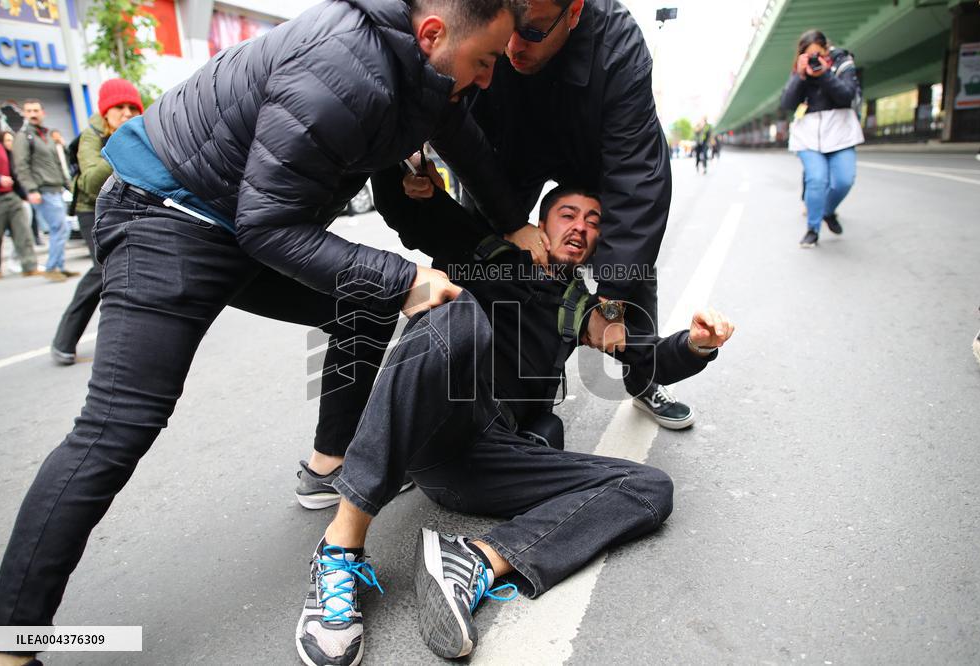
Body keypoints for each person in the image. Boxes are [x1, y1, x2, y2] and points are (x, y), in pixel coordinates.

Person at [0, 2, 526, 665]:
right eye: (487, 61)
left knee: (365, 298)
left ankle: (326, 466)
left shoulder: (429, 71)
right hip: (168, 216)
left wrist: (516, 225)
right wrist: (408, 278)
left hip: (240, 218)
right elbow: (270, 228)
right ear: (434, 35)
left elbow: (464, 142)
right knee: (118, 425)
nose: (491, 78)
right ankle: (8, 645)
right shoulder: (346, 65)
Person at [293, 167, 735, 664]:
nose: (581, 228)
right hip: (441, 422)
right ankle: (340, 548)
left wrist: (695, 346)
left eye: (593, 222)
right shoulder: (488, 254)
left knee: (650, 488)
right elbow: (420, 216)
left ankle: (475, 560)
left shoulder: (580, 306)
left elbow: (641, 351)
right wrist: (408, 180)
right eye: (568, 214)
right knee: (455, 310)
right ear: (539, 226)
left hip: (489, 456)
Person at [422, 0, 700, 431]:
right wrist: (512, 220)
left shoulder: (619, 45)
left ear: (573, 12)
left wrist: (612, 292)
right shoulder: (484, 19)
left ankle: (644, 380)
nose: (513, 46)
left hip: (592, 153)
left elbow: (635, 177)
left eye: (531, 32)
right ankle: (430, 403)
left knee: (630, 265)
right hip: (509, 149)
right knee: (474, 254)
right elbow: (454, 119)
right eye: (508, 29)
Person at [49, 79, 143, 365]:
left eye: (132, 108)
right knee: (103, 270)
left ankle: (133, 341)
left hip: (125, 204)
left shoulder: (140, 130)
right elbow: (90, 183)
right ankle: (64, 340)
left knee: (141, 266)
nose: (126, 113)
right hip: (91, 208)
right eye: (119, 107)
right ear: (105, 111)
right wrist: (120, 143)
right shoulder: (91, 136)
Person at [780, 29, 863, 249]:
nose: (816, 60)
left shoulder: (843, 63)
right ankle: (812, 229)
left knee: (844, 180)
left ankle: (827, 211)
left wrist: (824, 74)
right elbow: (787, 103)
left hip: (840, 134)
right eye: (810, 56)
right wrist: (800, 75)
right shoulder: (800, 71)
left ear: (827, 49)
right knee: (816, 180)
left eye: (819, 54)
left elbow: (847, 96)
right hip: (808, 136)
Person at [12, 99, 75, 280]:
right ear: (24, 114)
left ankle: (59, 266)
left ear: (43, 113)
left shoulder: (46, 135)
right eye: (29, 111)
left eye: (36, 110)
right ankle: (52, 268)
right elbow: (21, 166)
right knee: (59, 228)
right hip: (43, 190)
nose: (33, 114)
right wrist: (31, 190)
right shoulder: (24, 137)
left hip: (56, 189)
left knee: (63, 229)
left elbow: (57, 162)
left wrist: (67, 184)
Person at [0, 118, 40, 279]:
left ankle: (29, 265)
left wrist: (24, 194)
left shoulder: (3, 147)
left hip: (12, 196)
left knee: (23, 232)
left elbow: (15, 171)